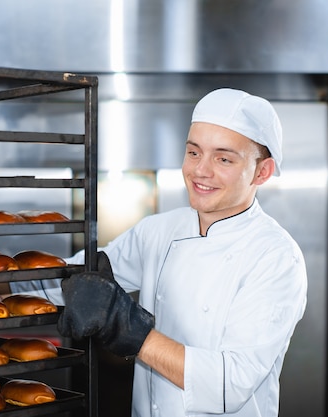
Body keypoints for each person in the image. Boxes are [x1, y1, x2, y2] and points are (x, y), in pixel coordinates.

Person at [17, 88, 308, 417]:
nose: (201, 170)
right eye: (194, 152)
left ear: (262, 172)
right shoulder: (158, 231)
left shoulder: (276, 257)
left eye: (223, 158)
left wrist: (131, 331)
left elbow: (230, 383)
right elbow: (68, 281)